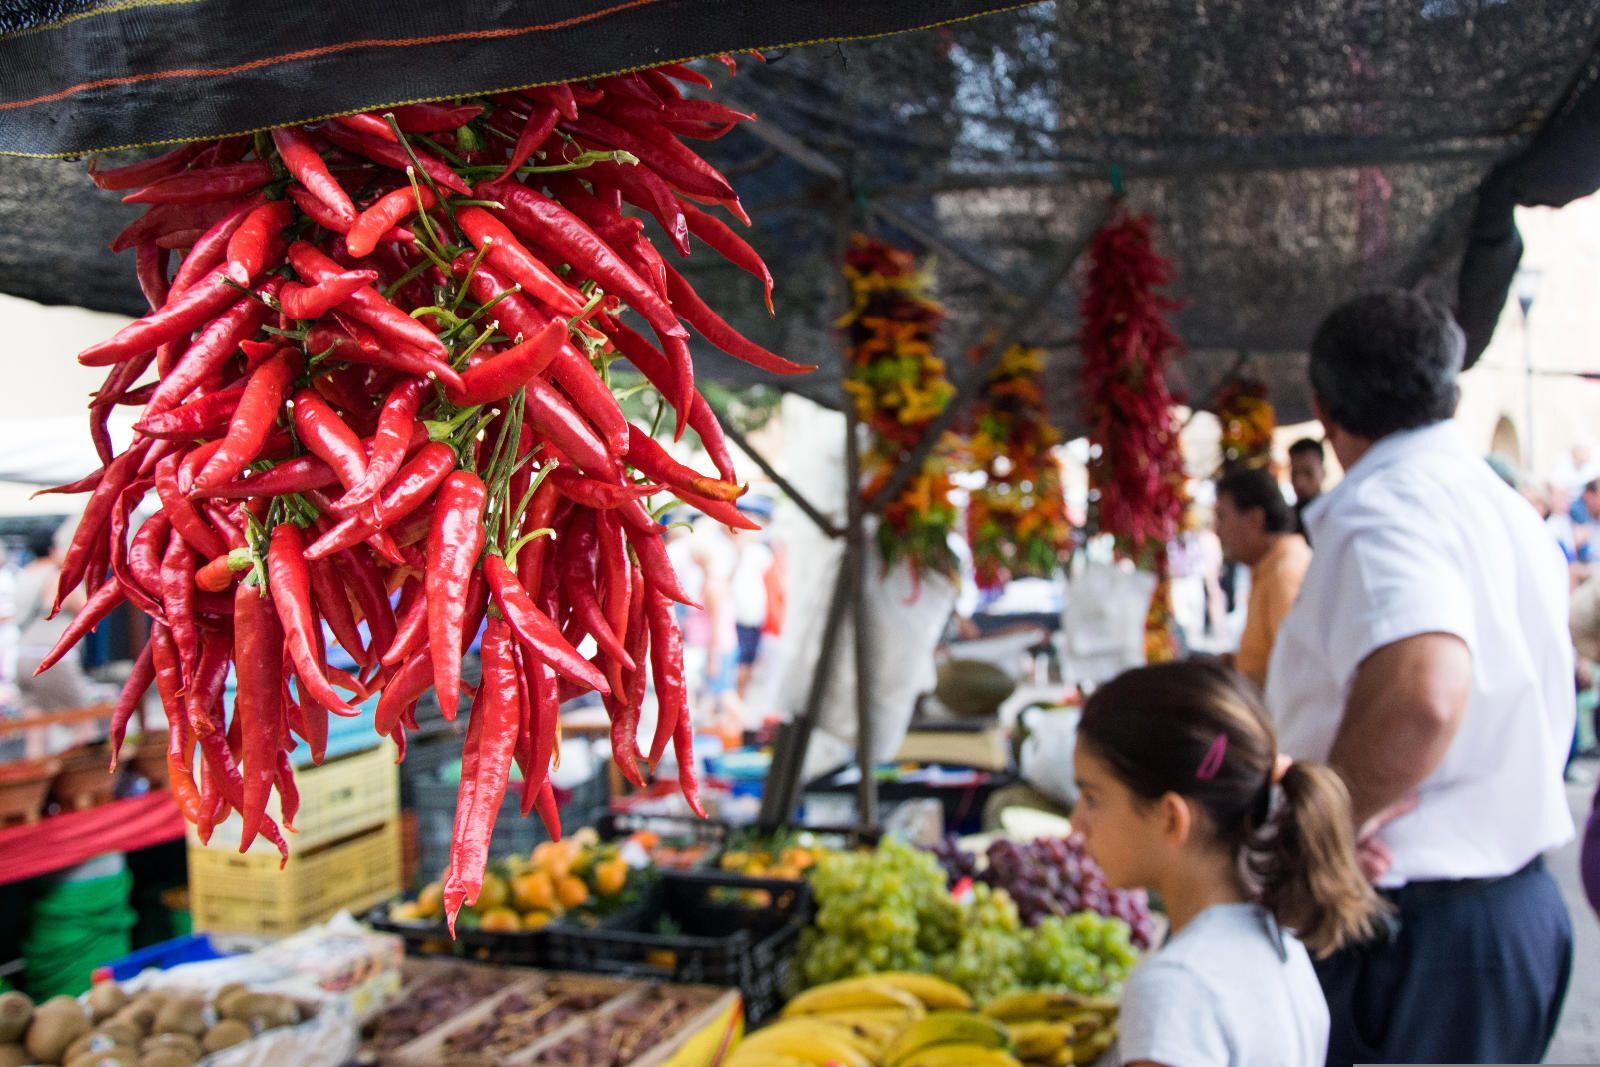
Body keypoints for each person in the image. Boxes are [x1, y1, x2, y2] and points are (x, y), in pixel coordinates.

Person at [1266, 290, 1575, 1065]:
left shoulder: (1388, 508)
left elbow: (1424, 691)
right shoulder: (1498, 506)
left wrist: (1321, 837)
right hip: (1499, 914)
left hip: (1420, 932)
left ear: (1322, 410)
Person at [1073, 660, 1384, 1067]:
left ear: (1171, 817)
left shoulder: (1176, 989)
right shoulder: (1280, 943)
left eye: (1093, 797)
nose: (1076, 823)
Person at [1213, 467, 1311, 691]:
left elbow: (1297, 672)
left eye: (1222, 517)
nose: (1217, 531)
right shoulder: (1271, 567)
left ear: (1255, 520)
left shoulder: (1284, 573)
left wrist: (1233, 682)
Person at [1287, 437, 1326, 542]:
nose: (1299, 481)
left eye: (1308, 473)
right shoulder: (1286, 520)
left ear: (1323, 472)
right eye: (1294, 473)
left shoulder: (1334, 516)